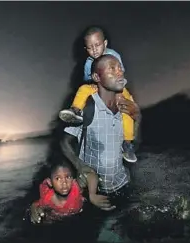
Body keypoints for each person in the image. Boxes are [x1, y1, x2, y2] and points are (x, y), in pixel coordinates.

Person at [60, 54, 141, 211]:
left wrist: (138, 117)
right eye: (112, 69)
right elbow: (64, 142)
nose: (119, 72)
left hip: (123, 184)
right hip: (94, 191)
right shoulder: (88, 107)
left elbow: (136, 144)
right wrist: (80, 166)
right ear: (97, 76)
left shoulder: (127, 107)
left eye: (120, 68)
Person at [59, 26, 138, 163]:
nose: (94, 50)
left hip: (117, 86)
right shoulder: (88, 63)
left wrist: (119, 92)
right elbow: (88, 79)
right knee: (83, 89)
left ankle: (127, 143)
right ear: (86, 49)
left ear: (105, 43)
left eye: (97, 45)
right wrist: (93, 86)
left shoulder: (114, 56)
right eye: (90, 47)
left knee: (127, 107)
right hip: (97, 85)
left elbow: (120, 74)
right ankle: (75, 110)